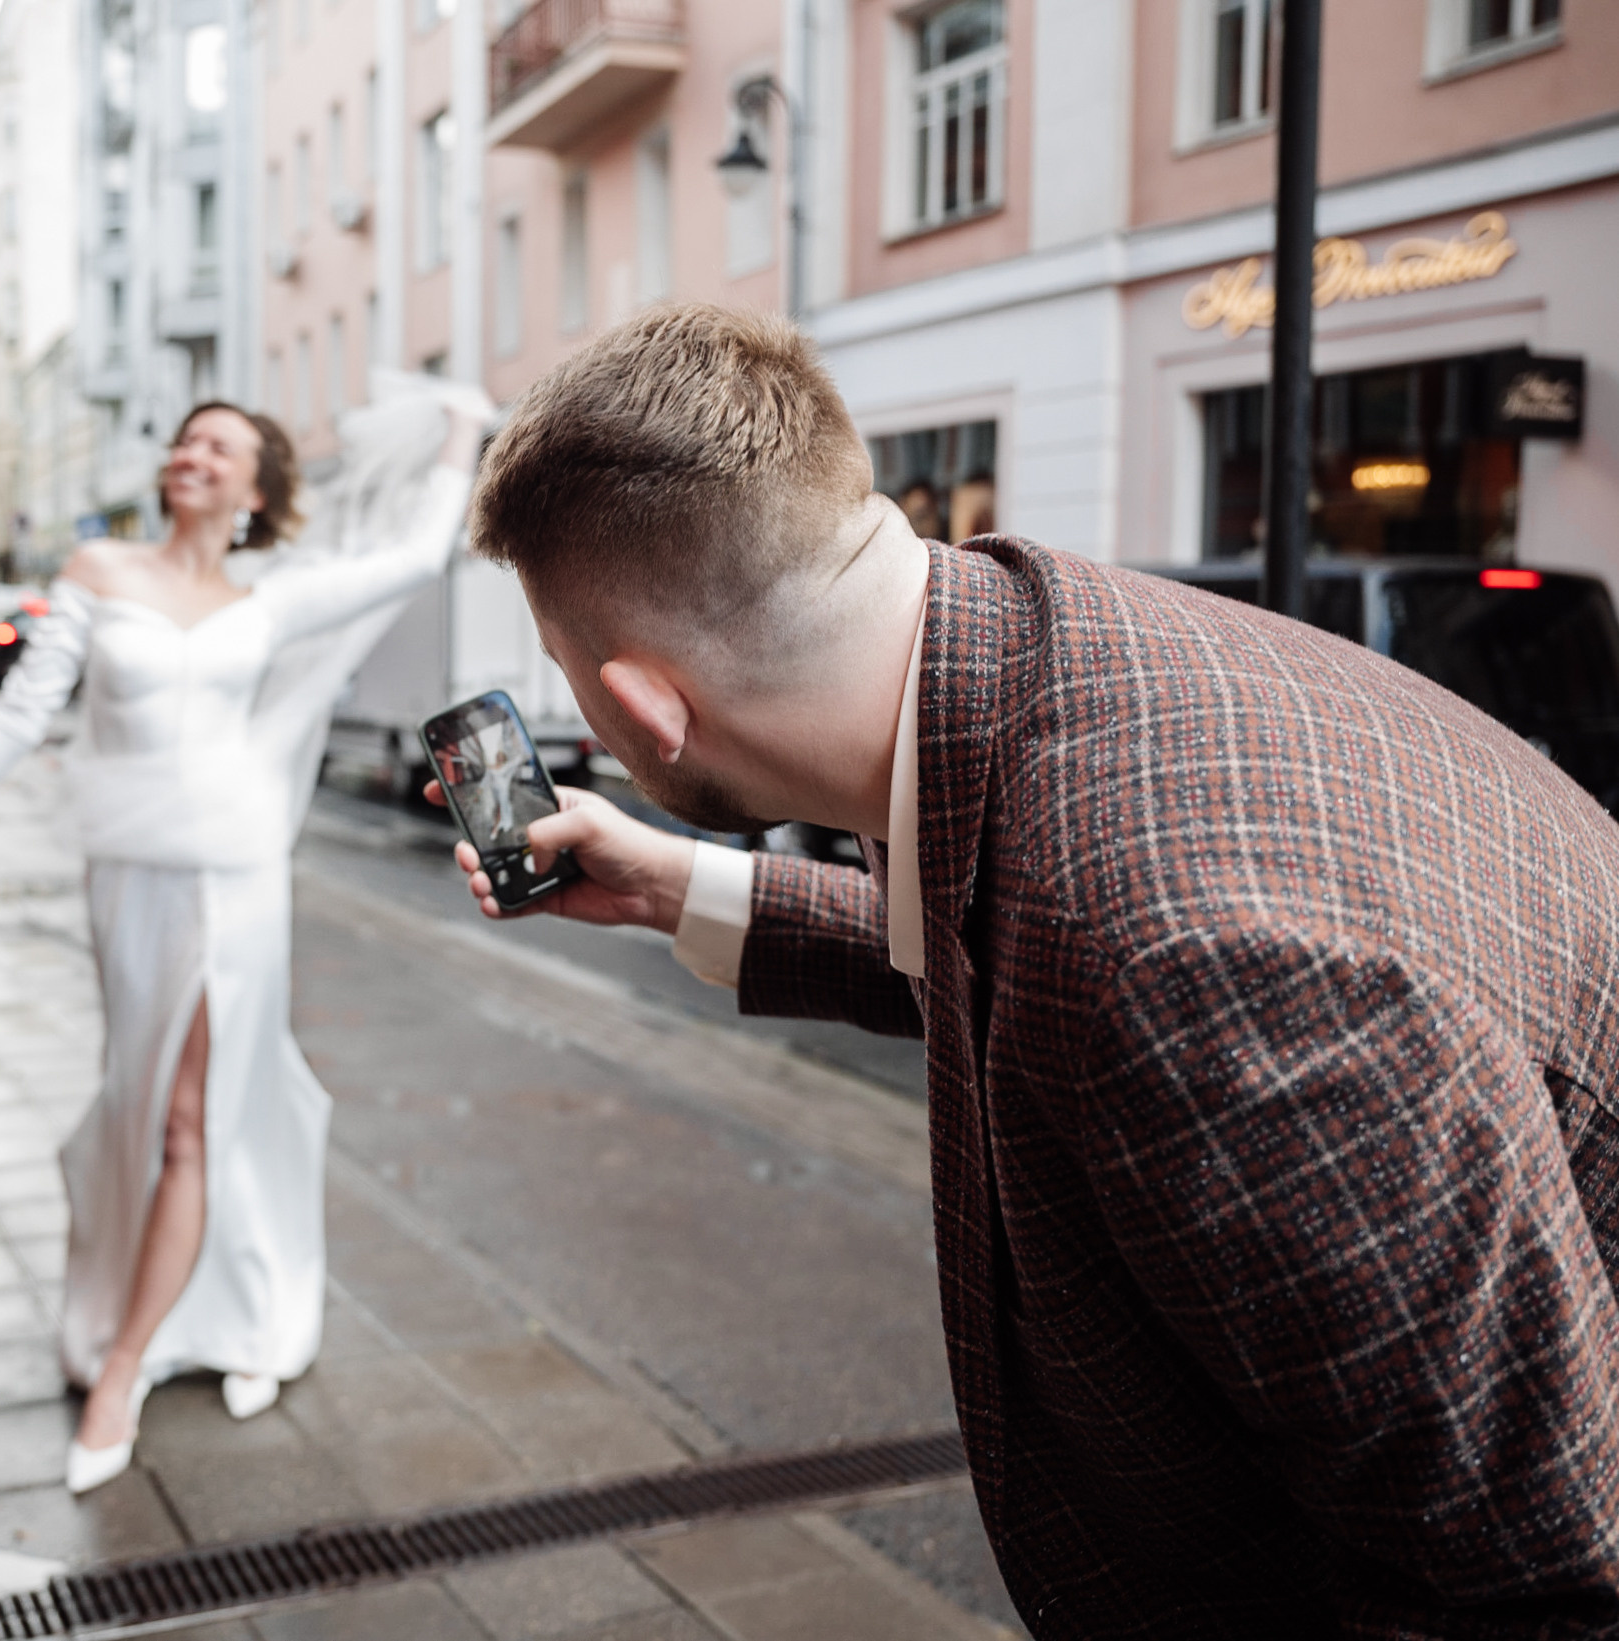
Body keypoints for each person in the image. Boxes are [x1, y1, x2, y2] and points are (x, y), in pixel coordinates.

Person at [439, 303, 1619, 1634]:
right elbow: (1017, 961)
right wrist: (677, 887)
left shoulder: (1176, 955)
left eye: (569, 673)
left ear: (646, 705)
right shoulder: (1033, 640)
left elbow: (1526, 1581)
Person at [0, 389, 484, 1495]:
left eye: (222, 446)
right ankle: (223, 1312)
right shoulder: (100, 573)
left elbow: (413, 555)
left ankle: (122, 1367)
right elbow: (20, 714)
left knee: (196, 1117)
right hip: (129, 881)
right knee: (138, 1104)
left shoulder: (272, 600)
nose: (193, 453)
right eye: (186, 439)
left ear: (256, 492)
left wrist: (461, 428)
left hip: (240, 879)